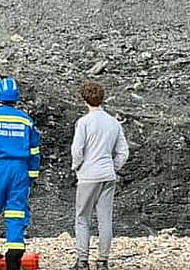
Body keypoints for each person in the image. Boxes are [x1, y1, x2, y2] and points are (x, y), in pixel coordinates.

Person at [0, 77, 41, 270]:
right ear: (17, 97)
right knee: (16, 214)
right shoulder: (25, 120)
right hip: (19, 172)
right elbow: (35, 151)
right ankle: (13, 261)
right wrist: (31, 177)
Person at [70, 81, 129, 270]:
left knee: (82, 218)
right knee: (105, 219)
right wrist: (113, 167)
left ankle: (82, 260)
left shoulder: (84, 122)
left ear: (84, 99)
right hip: (107, 175)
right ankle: (103, 261)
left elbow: (77, 149)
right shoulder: (113, 122)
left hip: (88, 175)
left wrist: (77, 166)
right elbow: (123, 152)